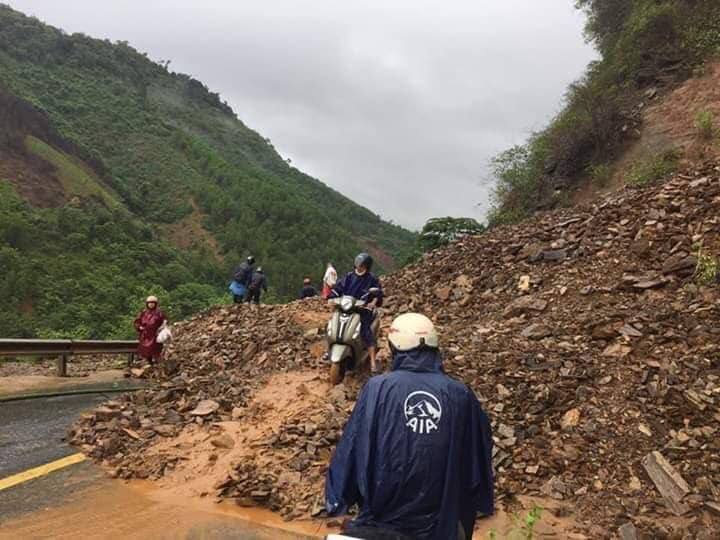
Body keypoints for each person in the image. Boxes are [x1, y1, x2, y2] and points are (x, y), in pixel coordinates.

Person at [325, 313, 494, 540]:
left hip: (380, 523)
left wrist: (339, 497)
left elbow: (353, 447)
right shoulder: (460, 394)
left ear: (395, 347)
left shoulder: (377, 388)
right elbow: (477, 460)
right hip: (440, 526)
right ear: (434, 348)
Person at [329, 253, 382, 373]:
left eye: (361, 264)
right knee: (332, 325)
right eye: (358, 263)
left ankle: (373, 361)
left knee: (365, 331)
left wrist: (372, 302)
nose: (358, 266)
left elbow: (377, 294)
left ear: (366, 266)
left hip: (363, 310)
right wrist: (331, 298)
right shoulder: (349, 276)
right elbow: (338, 288)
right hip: (346, 307)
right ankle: (328, 351)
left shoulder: (371, 279)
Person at [133, 295, 167, 365]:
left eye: (153, 303)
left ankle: (156, 363)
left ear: (155, 304)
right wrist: (139, 327)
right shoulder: (143, 312)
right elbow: (137, 322)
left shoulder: (159, 312)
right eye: (149, 303)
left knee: (156, 349)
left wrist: (162, 327)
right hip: (145, 335)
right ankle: (149, 362)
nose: (151, 304)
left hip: (155, 334)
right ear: (147, 304)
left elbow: (165, 321)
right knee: (146, 350)